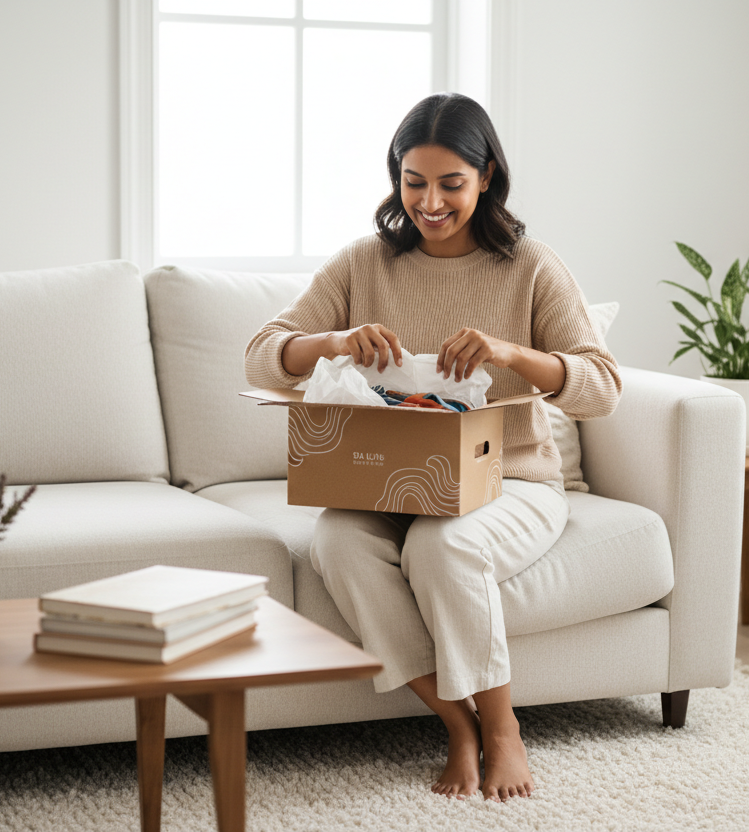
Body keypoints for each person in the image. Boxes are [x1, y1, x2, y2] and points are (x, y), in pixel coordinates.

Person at [244, 92, 622, 801]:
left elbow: (601, 387)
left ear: (486, 177)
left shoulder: (531, 266)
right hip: (391, 485)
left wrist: (512, 352)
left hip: (512, 483)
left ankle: (503, 731)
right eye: (413, 182)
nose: (430, 202)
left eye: (451, 183)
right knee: (337, 542)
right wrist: (333, 342)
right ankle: (457, 724)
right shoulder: (363, 264)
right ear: (396, 177)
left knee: (442, 545)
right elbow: (262, 356)